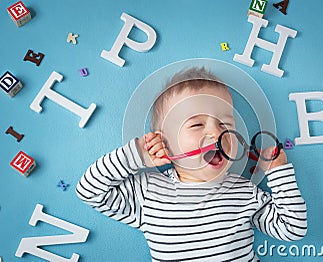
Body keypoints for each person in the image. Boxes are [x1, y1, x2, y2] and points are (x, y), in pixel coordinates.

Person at [76, 67, 307, 261]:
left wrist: (278, 171)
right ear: (164, 142)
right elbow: (89, 191)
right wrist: (138, 154)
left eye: (225, 124)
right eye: (196, 125)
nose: (216, 132)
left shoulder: (244, 191)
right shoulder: (148, 192)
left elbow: (293, 229)